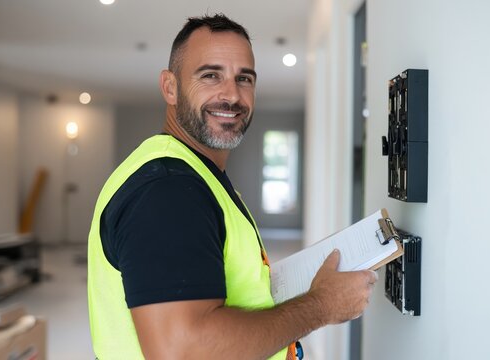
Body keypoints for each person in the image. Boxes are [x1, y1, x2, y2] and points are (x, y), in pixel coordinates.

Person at [87, 13, 377, 360]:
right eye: (210, 75)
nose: (232, 95)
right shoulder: (168, 190)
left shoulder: (197, 176)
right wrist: (321, 305)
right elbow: (184, 352)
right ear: (170, 86)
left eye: (245, 79)